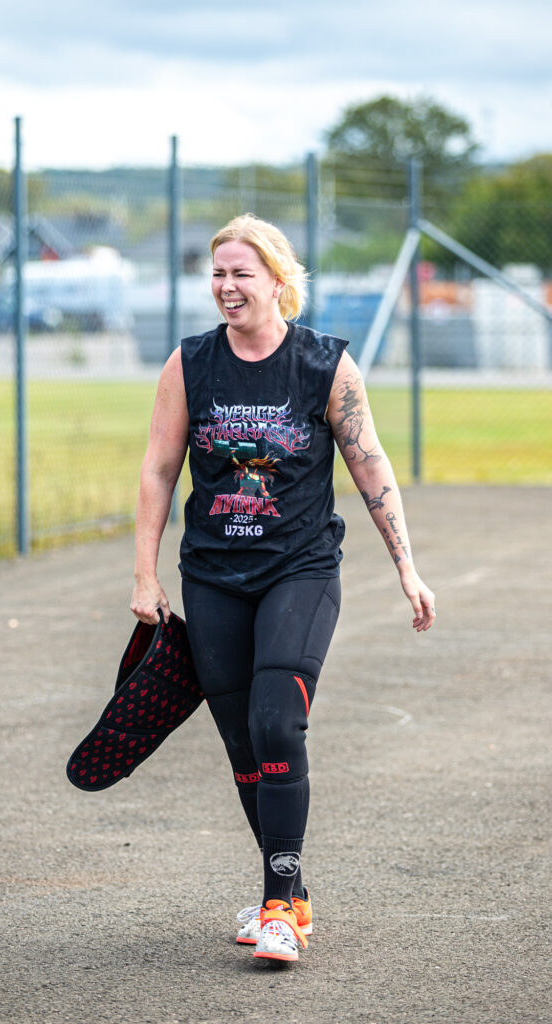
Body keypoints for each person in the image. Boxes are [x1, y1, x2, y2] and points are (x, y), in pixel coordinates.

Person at [130, 213, 435, 964]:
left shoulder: (325, 364)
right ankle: (290, 893)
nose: (227, 286)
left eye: (242, 273)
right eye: (218, 273)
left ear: (277, 280)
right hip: (212, 576)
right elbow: (159, 469)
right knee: (242, 744)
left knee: (276, 722)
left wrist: (406, 564)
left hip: (299, 570)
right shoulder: (190, 363)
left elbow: (369, 463)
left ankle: (276, 908)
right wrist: (144, 573)